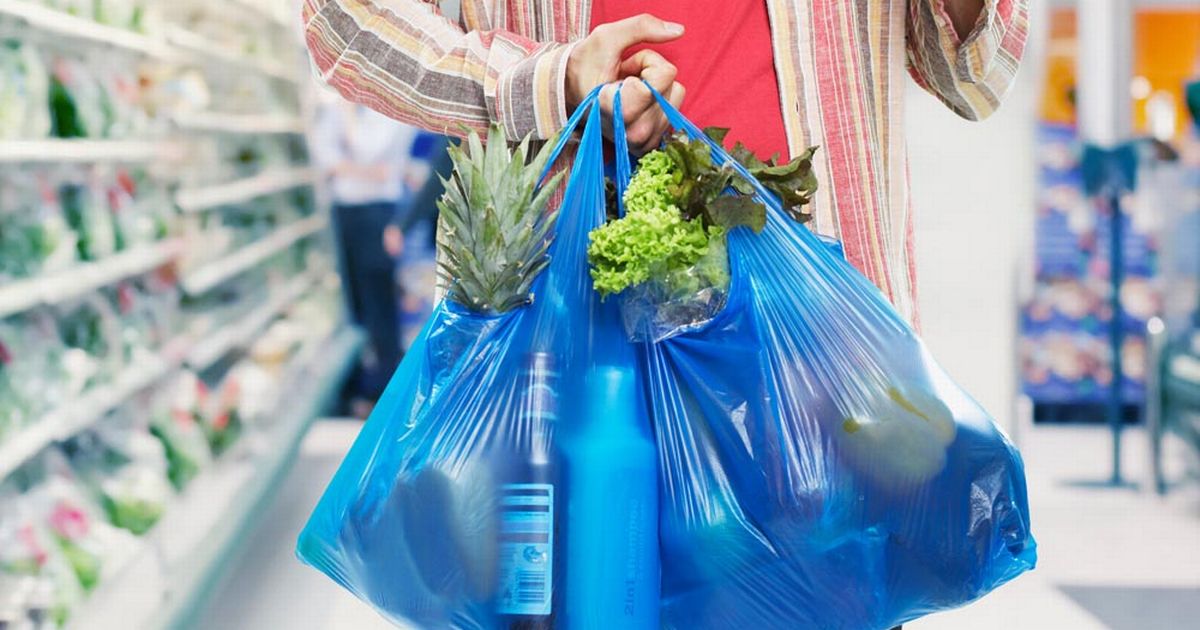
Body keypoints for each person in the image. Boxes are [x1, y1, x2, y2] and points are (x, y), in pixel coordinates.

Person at [301, 0, 1028, 324]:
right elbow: (340, 18)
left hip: (825, 338)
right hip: (560, 340)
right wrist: (550, 86)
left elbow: (971, 72)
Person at [313, 97, 417, 409]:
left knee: (380, 302)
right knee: (355, 302)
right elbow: (325, 158)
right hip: (346, 212)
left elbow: (365, 148)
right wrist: (359, 170)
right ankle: (366, 385)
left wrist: (346, 118)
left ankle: (389, 391)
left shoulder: (387, 108)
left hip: (378, 213)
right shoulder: (337, 108)